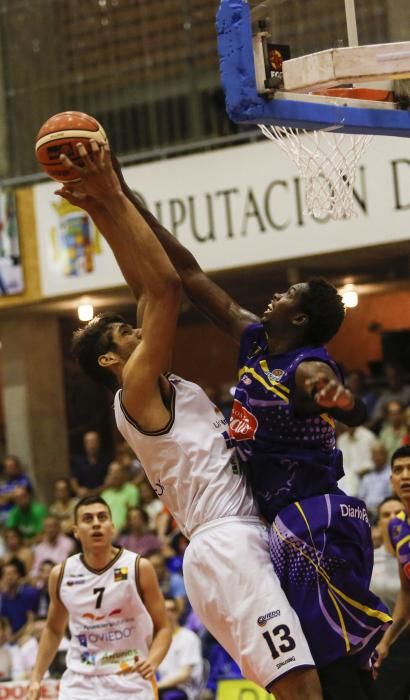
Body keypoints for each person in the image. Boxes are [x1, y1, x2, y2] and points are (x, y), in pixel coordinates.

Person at [108, 153, 391, 696]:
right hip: (281, 521)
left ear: (301, 319)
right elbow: (188, 274)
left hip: (318, 516)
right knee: (321, 658)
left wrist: (343, 402)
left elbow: (350, 406)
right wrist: (123, 195)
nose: (275, 297)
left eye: (287, 297)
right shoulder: (255, 338)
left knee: (335, 659)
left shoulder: (306, 366)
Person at [62, 141, 321, 699]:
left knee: (308, 678)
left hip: (238, 540)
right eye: (127, 334)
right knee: (301, 685)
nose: (139, 330)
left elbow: (147, 285)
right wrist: (110, 197)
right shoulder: (135, 391)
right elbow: (164, 287)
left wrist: (108, 207)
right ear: (112, 360)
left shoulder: (160, 384)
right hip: (227, 547)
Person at [26, 496, 171, 700]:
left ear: (112, 527)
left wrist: (153, 661)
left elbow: (164, 627)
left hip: (130, 676)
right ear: (76, 531)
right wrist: (36, 678)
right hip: (80, 680)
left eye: (102, 517)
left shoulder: (139, 568)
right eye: (88, 519)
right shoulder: (61, 574)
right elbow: (53, 629)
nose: (96, 523)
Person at [373, 446, 410, 699]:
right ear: (391, 480)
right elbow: (406, 595)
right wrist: (385, 642)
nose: (405, 476)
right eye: (398, 470)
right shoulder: (397, 527)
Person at [157, 597, 204, 700]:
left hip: (184, 690)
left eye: (172, 610)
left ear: (178, 613)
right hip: (163, 687)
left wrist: (156, 686)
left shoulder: (188, 638)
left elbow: (185, 674)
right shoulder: (158, 640)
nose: (168, 614)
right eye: (164, 610)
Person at [0, 559, 40, 637]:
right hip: (11, 638)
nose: (9, 577)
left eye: (12, 574)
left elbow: (30, 622)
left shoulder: (29, 593)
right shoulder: (3, 597)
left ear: (18, 575)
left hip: (28, 634)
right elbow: (6, 623)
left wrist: (16, 638)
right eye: (6, 574)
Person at [70, 430, 112, 498]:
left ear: (99, 443)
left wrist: (94, 492)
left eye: (94, 442)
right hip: (83, 497)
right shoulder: (78, 462)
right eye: (89, 442)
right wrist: (78, 490)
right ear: (84, 444)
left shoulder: (107, 461)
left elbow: (110, 481)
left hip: (103, 495)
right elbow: (73, 481)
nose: (92, 445)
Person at [101, 460, 140, 532]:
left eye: (117, 472)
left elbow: (133, 514)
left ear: (123, 474)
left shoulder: (132, 490)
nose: (115, 475)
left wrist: (120, 529)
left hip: (126, 531)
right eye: (112, 473)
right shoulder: (104, 495)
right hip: (107, 531)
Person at [357, 443, 392, 522]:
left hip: (383, 512)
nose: (377, 457)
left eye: (379, 454)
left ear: (386, 456)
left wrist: (379, 508)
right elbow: (359, 498)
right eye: (374, 455)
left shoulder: (391, 474)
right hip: (366, 513)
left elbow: (391, 497)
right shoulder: (367, 477)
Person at [0, 455, 32, 524]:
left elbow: (19, 494)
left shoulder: (23, 479)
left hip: (16, 516)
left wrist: (6, 497)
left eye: (12, 466)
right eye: (7, 467)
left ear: (18, 467)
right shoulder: (5, 484)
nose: (10, 469)